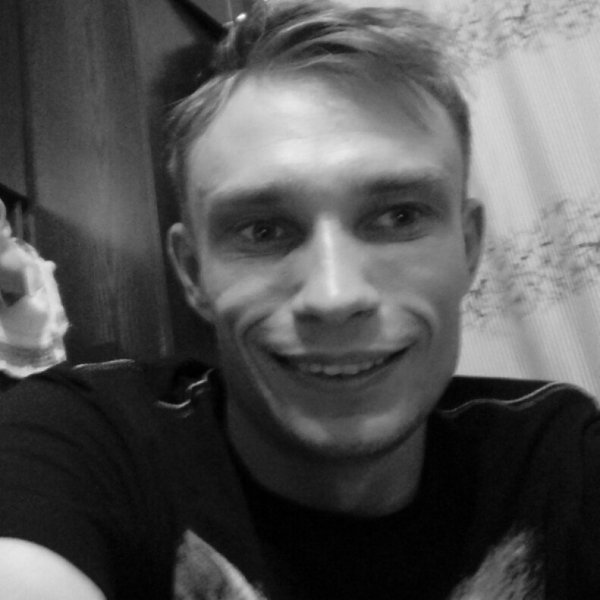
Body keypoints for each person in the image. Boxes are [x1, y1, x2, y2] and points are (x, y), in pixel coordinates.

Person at [0, 2, 599, 599]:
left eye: (398, 216)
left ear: (468, 247)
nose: (335, 297)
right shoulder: (83, 443)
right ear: (192, 272)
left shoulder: (560, 460)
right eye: (263, 230)